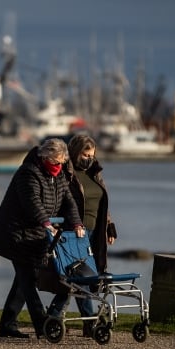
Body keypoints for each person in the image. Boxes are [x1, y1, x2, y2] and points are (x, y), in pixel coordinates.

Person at [0, 137, 85, 339]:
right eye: (55, 162)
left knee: (23, 280)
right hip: (15, 234)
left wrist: (76, 223)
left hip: (35, 234)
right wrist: (46, 223)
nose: (59, 167)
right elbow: (32, 202)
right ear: (44, 157)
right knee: (28, 279)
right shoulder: (28, 173)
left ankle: (7, 325)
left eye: (62, 163)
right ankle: (41, 324)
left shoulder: (58, 176)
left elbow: (69, 202)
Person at [47, 133, 118, 336]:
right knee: (76, 276)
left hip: (94, 232)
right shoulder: (66, 173)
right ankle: (79, 319)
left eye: (92, 155)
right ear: (76, 152)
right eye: (85, 154)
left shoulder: (95, 172)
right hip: (73, 231)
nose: (89, 158)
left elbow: (101, 203)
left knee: (86, 277)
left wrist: (109, 225)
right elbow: (59, 201)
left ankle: (66, 317)